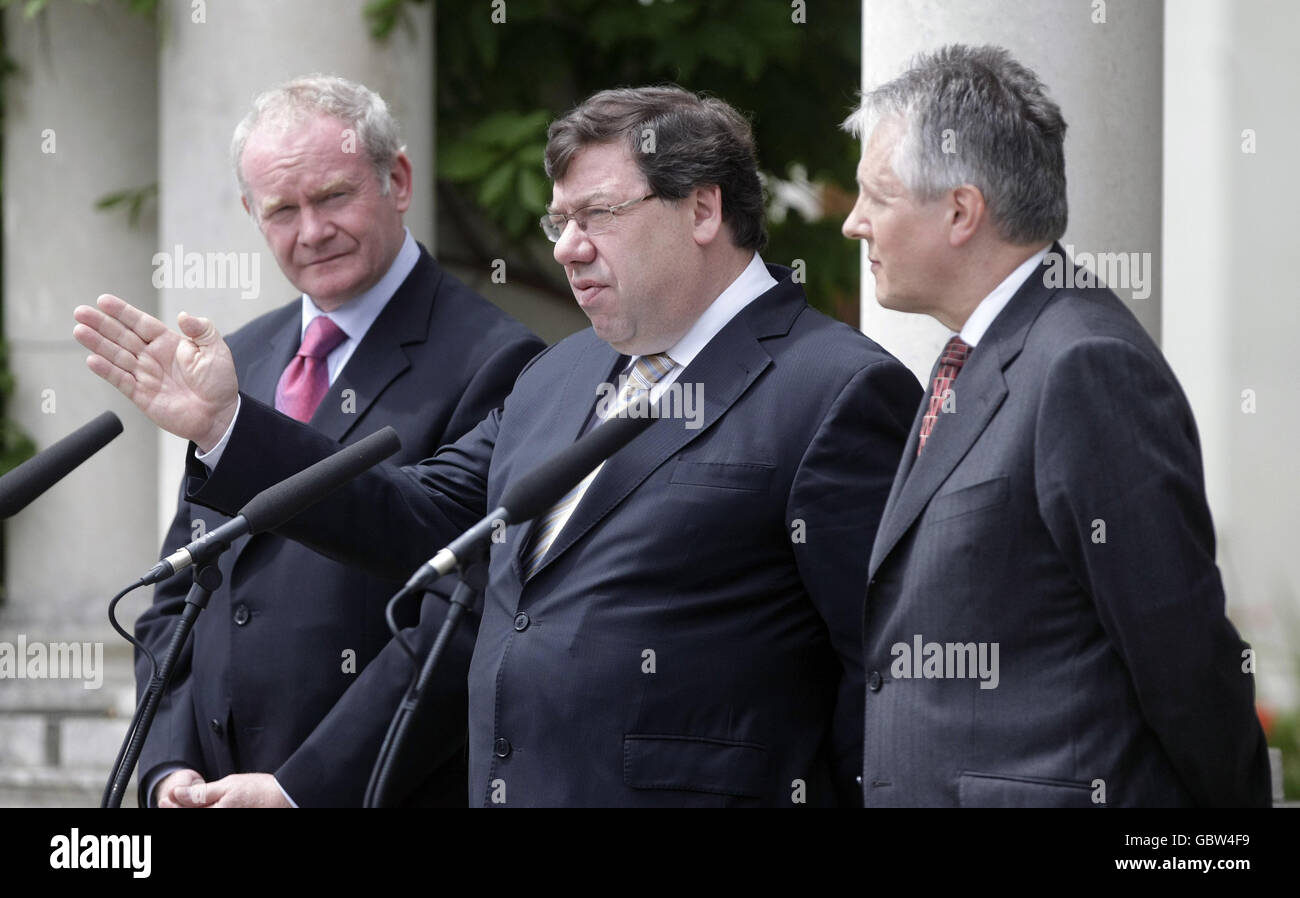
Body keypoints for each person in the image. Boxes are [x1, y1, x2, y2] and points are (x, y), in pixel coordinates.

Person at [75, 85, 921, 806]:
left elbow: (881, 682)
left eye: (598, 214)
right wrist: (229, 429)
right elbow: (419, 518)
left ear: (703, 208)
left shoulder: (837, 388)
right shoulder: (561, 375)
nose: (566, 247)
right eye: (558, 220)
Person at [95, 75, 543, 807]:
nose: (311, 231)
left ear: (396, 180)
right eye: (281, 210)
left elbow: (459, 619)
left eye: (334, 196)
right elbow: (183, 592)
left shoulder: (500, 360)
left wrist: (299, 789)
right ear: (251, 213)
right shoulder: (241, 355)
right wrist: (167, 769)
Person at [840, 45, 1271, 806]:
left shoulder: (1083, 363)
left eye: (876, 196)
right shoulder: (984, 355)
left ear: (961, 212)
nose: (853, 224)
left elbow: (1181, 651)